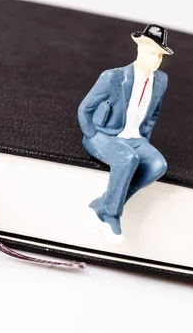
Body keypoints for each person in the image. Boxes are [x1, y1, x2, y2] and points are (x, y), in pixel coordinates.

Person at [77, 24, 173, 243]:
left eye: (160, 55)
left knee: (158, 165)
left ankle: (104, 203)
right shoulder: (113, 77)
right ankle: (110, 214)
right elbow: (85, 108)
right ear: (139, 49)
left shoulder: (161, 81)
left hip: (136, 137)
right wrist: (91, 134)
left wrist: (144, 137)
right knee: (127, 158)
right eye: (152, 53)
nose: (156, 59)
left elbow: (154, 112)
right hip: (105, 135)